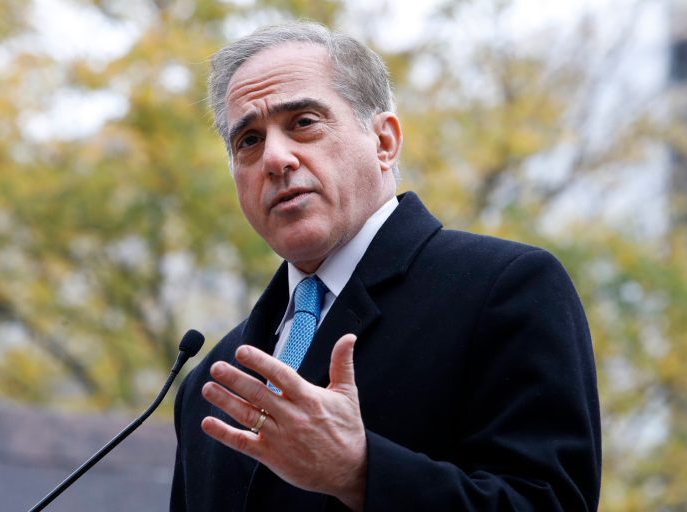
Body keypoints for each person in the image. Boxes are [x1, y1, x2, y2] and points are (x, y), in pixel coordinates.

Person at [170, 21, 601, 511]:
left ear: (384, 142)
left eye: (304, 122)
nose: (275, 158)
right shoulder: (207, 385)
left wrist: (360, 472)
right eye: (248, 140)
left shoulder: (505, 289)